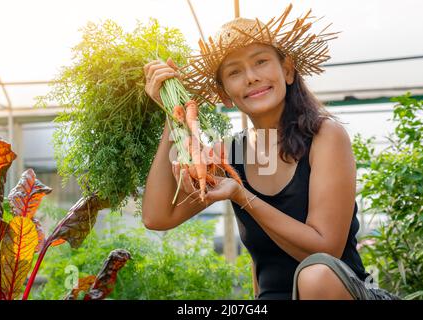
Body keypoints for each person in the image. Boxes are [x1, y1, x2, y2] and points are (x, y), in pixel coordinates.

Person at [142, 4, 400, 300]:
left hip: (340, 292)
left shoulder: (325, 137)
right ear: (225, 94)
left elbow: (324, 248)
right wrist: (170, 118)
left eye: (261, 61)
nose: (251, 77)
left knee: (315, 275)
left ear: (287, 70)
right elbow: (158, 217)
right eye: (235, 72)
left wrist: (241, 195)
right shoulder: (230, 153)